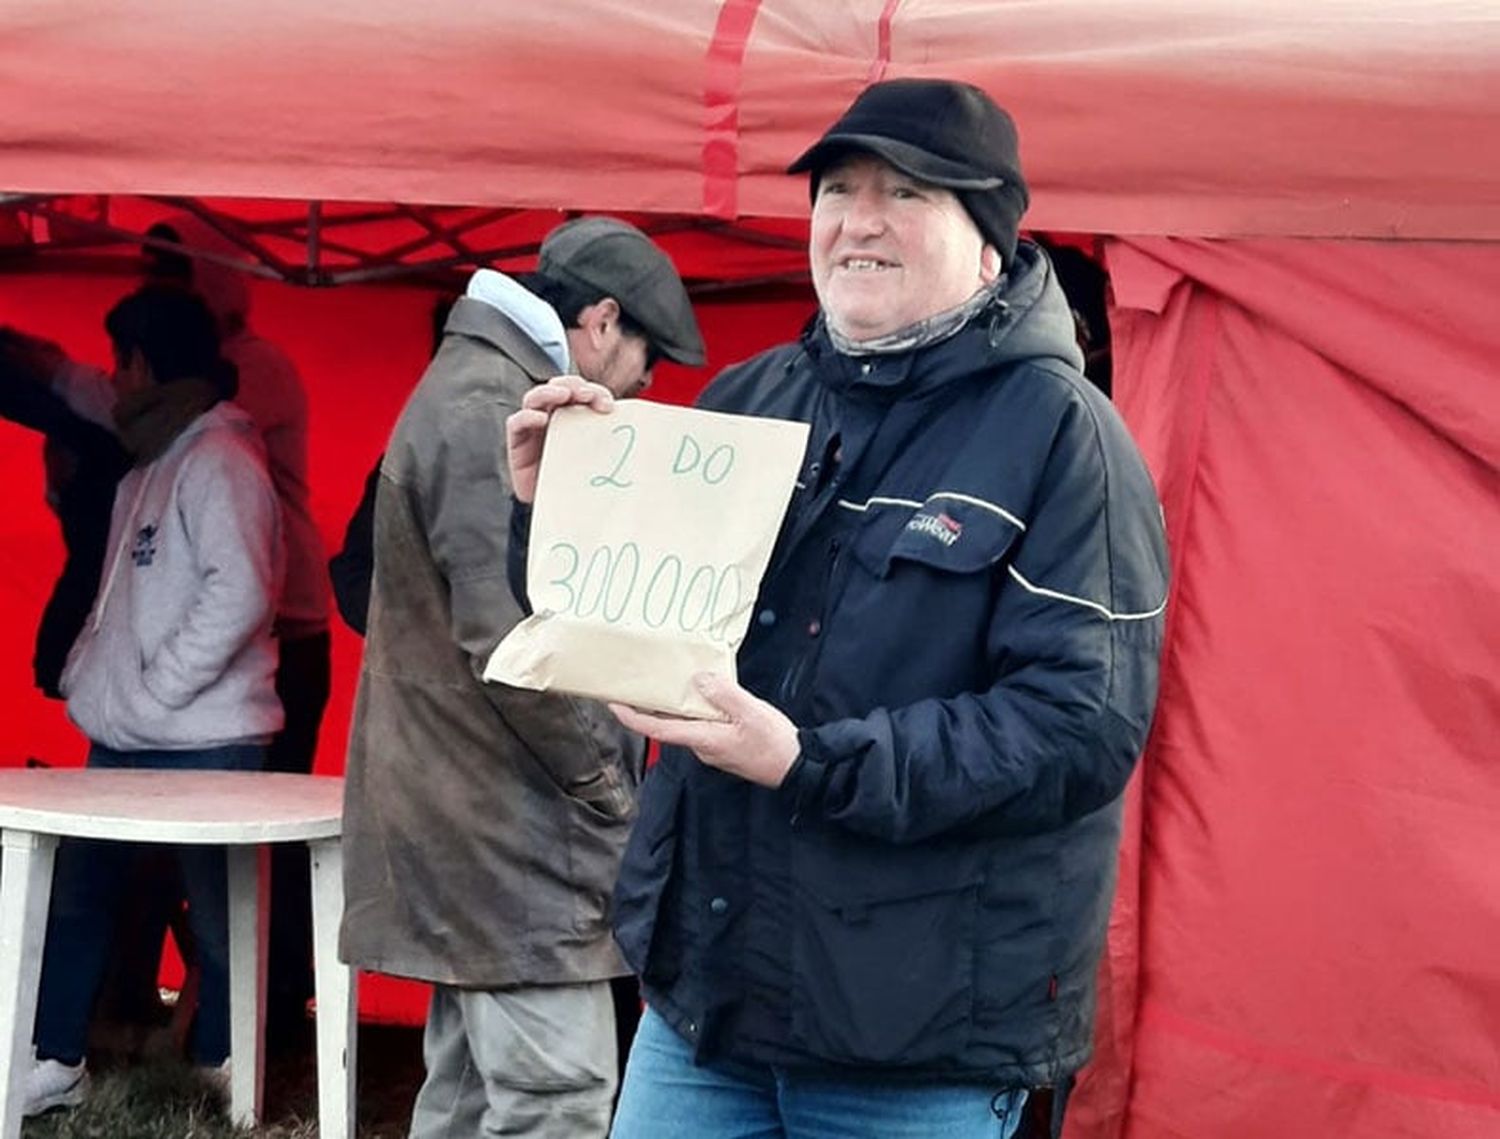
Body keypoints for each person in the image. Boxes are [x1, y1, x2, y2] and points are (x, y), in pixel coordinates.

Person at [506, 79, 1170, 1139]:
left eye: (907, 192)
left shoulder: (1065, 439)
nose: (859, 218)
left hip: (919, 1040)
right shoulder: (746, 398)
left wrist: (808, 759)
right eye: (838, 189)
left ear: (991, 243)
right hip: (707, 1009)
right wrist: (557, 510)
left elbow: (1077, 727)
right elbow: (617, 627)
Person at [339, 217, 706, 1139]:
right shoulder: (490, 410)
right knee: (558, 1102)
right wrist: (611, 788)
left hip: (478, 821)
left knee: (465, 1101)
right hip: (514, 833)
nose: (649, 383)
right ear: (603, 321)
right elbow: (513, 645)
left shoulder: (476, 386)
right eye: (649, 355)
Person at [21, 284, 283, 1117]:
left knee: (219, 913)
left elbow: (241, 591)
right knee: (81, 890)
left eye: (119, 361)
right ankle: (54, 1057)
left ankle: (225, 1070)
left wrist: (156, 687)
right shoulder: (159, 455)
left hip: (206, 738)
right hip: (137, 733)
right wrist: (109, 685)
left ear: (145, 363)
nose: (113, 379)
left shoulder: (219, 459)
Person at [142, 215, 333, 1047]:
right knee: (189, 840)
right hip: (260, 634)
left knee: (271, 843)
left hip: (290, 634)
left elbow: (161, 426)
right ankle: (202, 1006)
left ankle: (278, 1005)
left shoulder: (252, 374)